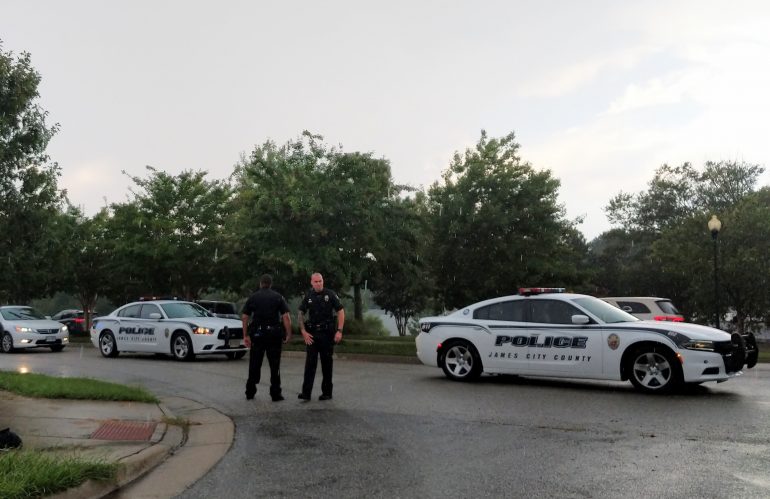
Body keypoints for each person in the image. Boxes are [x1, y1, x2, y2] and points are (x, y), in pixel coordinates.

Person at [241, 274, 292, 401]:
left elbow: (245, 317)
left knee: (254, 363)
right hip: (274, 335)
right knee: (275, 365)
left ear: (260, 284)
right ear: (270, 284)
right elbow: (286, 316)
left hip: (258, 335)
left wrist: (245, 335)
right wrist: (288, 333)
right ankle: (275, 393)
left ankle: (250, 391)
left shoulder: (253, 297)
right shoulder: (278, 297)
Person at [298, 272, 345, 401]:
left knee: (327, 364)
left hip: (326, 334)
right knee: (310, 365)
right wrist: (303, 331)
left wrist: (339, 330)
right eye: (316, 281)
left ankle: (327, 392)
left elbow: (340, 311)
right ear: (311, 283)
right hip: (312, 334)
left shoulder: (330, 294)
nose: (319, 283)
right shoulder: (309, 296)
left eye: (320, 281)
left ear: (323, 281)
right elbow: (301, 312)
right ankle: (306, 393)